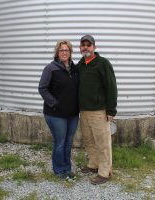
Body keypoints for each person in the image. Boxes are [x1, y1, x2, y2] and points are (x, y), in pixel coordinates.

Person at [77, 35, 118, 185]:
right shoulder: (80, 65)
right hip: (84, 111)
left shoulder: (103, 63)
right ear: (80, 48)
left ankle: (104, 172)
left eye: (89, 44)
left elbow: (111, 86)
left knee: (102, 142)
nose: (86, 47)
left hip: (99, 111)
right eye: (83, 45)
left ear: (94, 47)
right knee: (89, 140)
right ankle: (93, 164)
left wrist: (111, 110)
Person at [38, 40, 79, 180]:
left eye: (67, 50)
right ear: (57, 52)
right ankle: (59, 170)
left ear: (70, 52)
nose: (64, 52)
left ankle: (67, 168)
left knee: (68, 143)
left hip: (73, 114)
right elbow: (42, 88)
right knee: (60, 143)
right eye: (61, 50)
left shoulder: (74, 68)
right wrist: (55, 103)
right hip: (55, 114)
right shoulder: (50, 68)